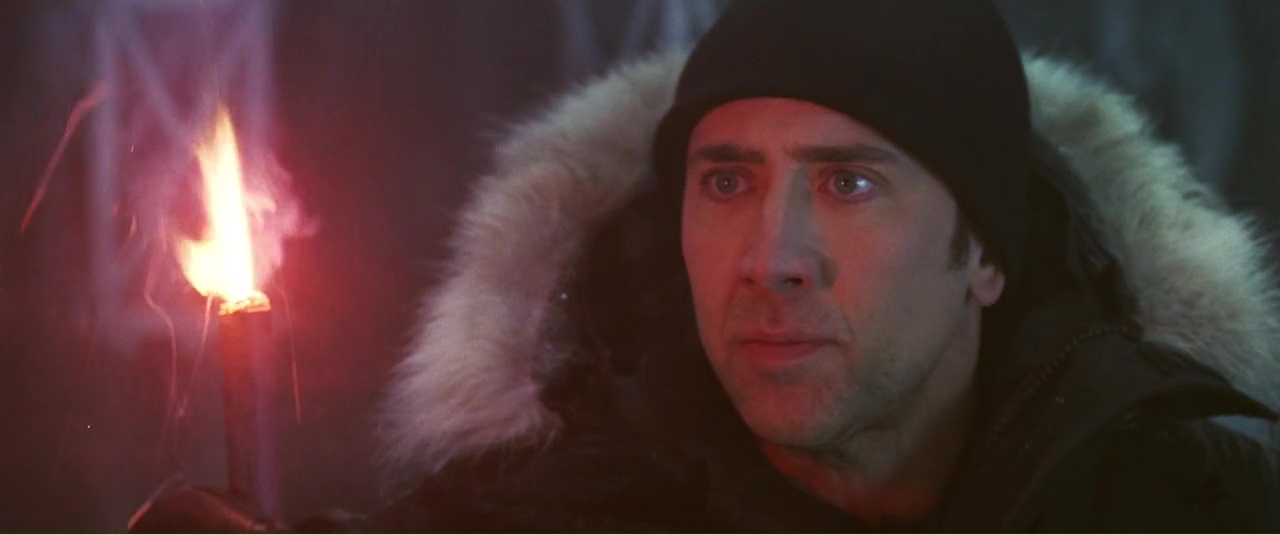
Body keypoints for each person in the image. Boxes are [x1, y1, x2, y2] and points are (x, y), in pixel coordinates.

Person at [131, 0, 1280, 532]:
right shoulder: (538, 520)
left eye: (849, 184)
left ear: (982, 251)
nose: (770, 260)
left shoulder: (1203, 513)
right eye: (726, 182)